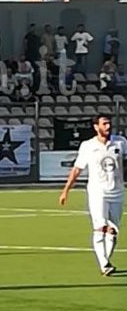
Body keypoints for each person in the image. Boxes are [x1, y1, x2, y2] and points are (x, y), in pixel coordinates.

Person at [59, 115, 125, 277]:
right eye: (104, 124)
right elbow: (77, 169)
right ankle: (104, 264)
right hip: (98, 192)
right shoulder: (88, 146)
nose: (108, 126)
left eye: (109, 123)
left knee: (113, 231)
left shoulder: (120, 142)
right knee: (100, 227)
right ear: (96, 127)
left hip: (117, 192)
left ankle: (106, 260)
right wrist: (66, 190)